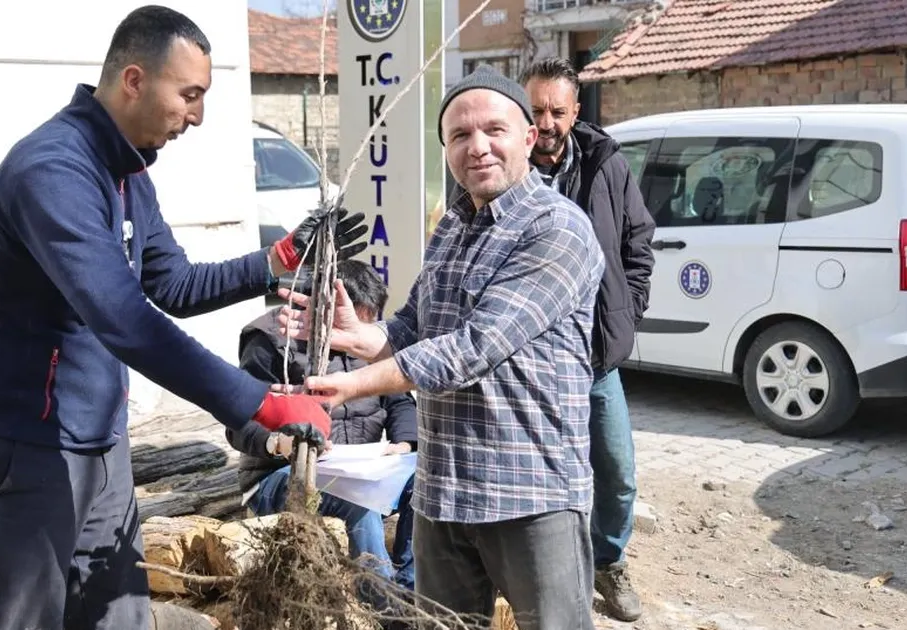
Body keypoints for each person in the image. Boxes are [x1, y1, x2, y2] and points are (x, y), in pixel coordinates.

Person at [0, 6, 367, 630]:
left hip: (101, 444)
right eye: (189, 95)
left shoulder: (128, 170)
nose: (198, 115)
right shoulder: (52, 172)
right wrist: (260, 402)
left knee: (120, 619)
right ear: (134, 80)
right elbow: (125, 321)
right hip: (23, 445)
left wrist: (278, 259)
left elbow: (173, 283)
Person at [278, 64, 606, 630]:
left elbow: (471, 349)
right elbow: (414, 327)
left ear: (529, 137)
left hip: (529, 492)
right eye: (459, 135)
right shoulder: (453, 226)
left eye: (494, 130)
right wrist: (360, 337)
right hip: (443, 490)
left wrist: (353, 384)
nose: (477, 147)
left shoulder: (557, 229)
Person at [521, 56, 656, 623]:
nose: (546, 122)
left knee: (617, 470)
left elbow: (638, 239)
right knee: (542, 475)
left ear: (576, 111)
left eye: (557, 111)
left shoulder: (606, 164)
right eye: (536, 110)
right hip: (528, 360)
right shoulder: (503, 165)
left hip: (595, 357)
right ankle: (542, 572)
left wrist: (627, 311)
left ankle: (609, 561)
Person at [228, 259, 418, 595]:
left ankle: (413, 589)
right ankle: (386, 606)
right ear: (327, 309)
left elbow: (399, 402)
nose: (357, 337)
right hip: (280, 474)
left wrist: (404, 444)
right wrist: (281, 443)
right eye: (351, 326)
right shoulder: (270, 341)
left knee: (426, 482)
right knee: (360, 505)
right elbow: (239, 423)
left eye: (366, 326)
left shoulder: (370, 340)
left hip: (362, 469)